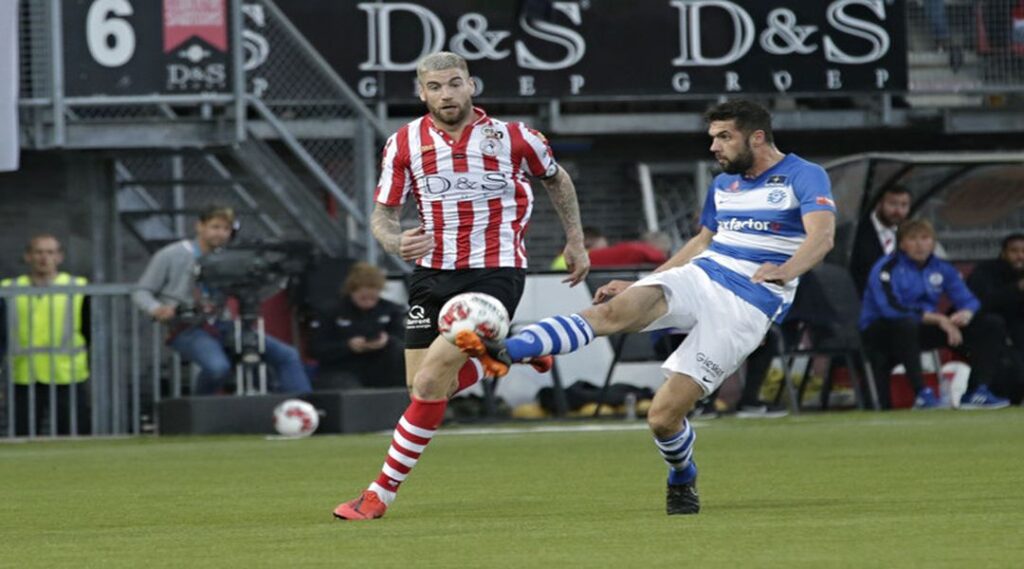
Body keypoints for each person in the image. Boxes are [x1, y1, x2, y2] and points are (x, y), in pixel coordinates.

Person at [460, 99, 837, 515]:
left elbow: (821, 237)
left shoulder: (804, 175)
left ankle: (682, 474)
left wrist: (786, 270)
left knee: (662, 417)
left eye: (724, 137)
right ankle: (506, 350)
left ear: (757, 137)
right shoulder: (723, 185)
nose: (714, 147)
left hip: (748, 301)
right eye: (712, 137)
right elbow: (702, 242)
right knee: (612, 312)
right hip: (703, 274)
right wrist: (643, 281)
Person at [332, 51, 589, 521]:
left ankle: (378, 494)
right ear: (421, 92)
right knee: (424, 388)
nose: (446, 94)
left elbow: (557, 180)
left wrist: (575, 240)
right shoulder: (403, 143)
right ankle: (510, 351)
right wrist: (393, 240)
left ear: (472, 85)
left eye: (454, 84)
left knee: (432, 380)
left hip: (494, 273)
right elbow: (383, 215)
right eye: (435, 87)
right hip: (431, 274)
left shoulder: (515, 137)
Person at [131, 205, 311, 395]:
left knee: (287, 355)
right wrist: (156, 308)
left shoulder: (231, 256)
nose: (221, 233)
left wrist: (278, 277)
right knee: (218, 368)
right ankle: (199, 407)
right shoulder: (172, 254)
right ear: (199, 226)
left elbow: (256, 294)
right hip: (186, 327)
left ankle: (304, 406)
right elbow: (141, 291)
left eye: (226, 229)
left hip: (224, 325)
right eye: (215, 227)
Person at [859, 219, 1010, 410]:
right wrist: (939, 319)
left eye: (925, 238)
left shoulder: (941, 267)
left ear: (933, 243)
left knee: (991, 324)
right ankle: (922, 394)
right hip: (881, 330)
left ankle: (977, 392)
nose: (920, 244)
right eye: (913, 239)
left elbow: (969, 300)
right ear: (902, 244)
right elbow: (891, 308)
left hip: (922, 327)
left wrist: (966, 313)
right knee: (906, 324)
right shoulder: (886, 267)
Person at [0, 234, 90, 435]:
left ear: (59, 257)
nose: (44, 258)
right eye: (38, 252)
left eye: (50, 252)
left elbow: (90, 330)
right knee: (22, 434)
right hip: (24, 373)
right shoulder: (8, 289)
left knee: (73, 435)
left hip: (67, 373)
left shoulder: (78, 287)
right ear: (27, 256)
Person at [308, 262, 406, 389]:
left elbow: (403, 339)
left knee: (399, 351)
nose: (368, 301)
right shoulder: (331, 311)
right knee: (348, 387)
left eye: (372, 297)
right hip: (342, 367)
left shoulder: (390, 310)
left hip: (380, 365)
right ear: (352, 290)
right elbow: (316, 349)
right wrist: (348, 346)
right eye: (363, 297)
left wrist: (386, 341)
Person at [965, 233, 1024, 404]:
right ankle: (978, 392)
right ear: (1003, 253)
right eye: (1014, 251)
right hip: (979, 329)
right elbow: (978, 303)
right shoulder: (986, 271)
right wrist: (1017, 288)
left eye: (1023, 252)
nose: (1020, 256)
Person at [850, 185, 911, 296]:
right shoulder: (855, 232)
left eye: (904, 205)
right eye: (893, 204)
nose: (898, 211)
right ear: (879, 203)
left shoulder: (907, 232)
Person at [588, 231, 672, 268]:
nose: (665, 255)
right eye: (665, 252)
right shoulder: (641, 251)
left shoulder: (632, 248)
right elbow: (663, 262)